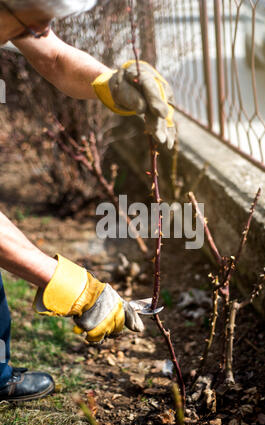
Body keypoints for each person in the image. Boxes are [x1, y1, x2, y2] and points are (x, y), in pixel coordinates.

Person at [0, 0, 175, 402]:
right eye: (35, 18)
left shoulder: (17, 16)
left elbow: (57, 58)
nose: (46, 28)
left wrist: (113, 84)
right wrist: (76, 291)